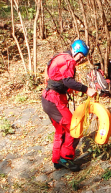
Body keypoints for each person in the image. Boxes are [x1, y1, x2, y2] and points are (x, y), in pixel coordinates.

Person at [42, 40, 97, 172]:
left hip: (48, 99)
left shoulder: (60, 56)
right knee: (74, 127)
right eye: (80, 56)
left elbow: (56, 79)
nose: (80, 59)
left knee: (61, 129)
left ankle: (57, 160)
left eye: (83, 57)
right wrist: (86, 89)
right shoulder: (68, 60)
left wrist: (68, 89)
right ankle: (66, 158)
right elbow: (68, 81)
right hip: (54, 100)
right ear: (75, 51)